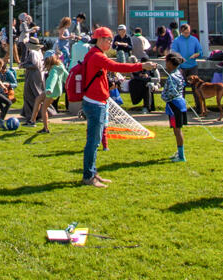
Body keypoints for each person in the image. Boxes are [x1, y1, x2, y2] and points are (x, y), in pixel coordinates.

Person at [80, 27, 157, 187]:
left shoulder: (94, 55)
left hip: (95, 101)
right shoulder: (97, 56)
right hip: (95, 103)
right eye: (108, 40)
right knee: (93, 142)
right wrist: (141, 66)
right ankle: (88, 176)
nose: (110, 43)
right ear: (100, 40)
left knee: (94, 141)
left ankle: (92, 173)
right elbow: (119, 67)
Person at [161, 52, 189, 163]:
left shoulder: (172, 77)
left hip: (175, 106)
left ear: (170, 63)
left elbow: (171, 93)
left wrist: (163, 96)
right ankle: (179, 152)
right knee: (176, 130)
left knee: (177, 130)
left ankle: (181, 156)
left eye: (166, 62)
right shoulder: (179, 73)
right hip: (179, 104)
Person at [28, 53, 66, 133]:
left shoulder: (54, 70)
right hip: (53, 90)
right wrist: (69, 81)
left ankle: (45, 129)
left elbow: (53, 80)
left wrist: (49, 89)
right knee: (38, 99)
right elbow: (66, 75)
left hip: (52, 92)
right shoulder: (60, 66)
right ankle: (32, 120)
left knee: (44, 109)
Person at [19, 37, 46, 125]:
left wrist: (23, 65)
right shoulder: (39, 52)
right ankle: (38, 114)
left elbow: (33, 64)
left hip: (32, 75)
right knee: (37, 94)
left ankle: (30, 116)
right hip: (38, 75)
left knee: (29, 95)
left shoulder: (32, 53)